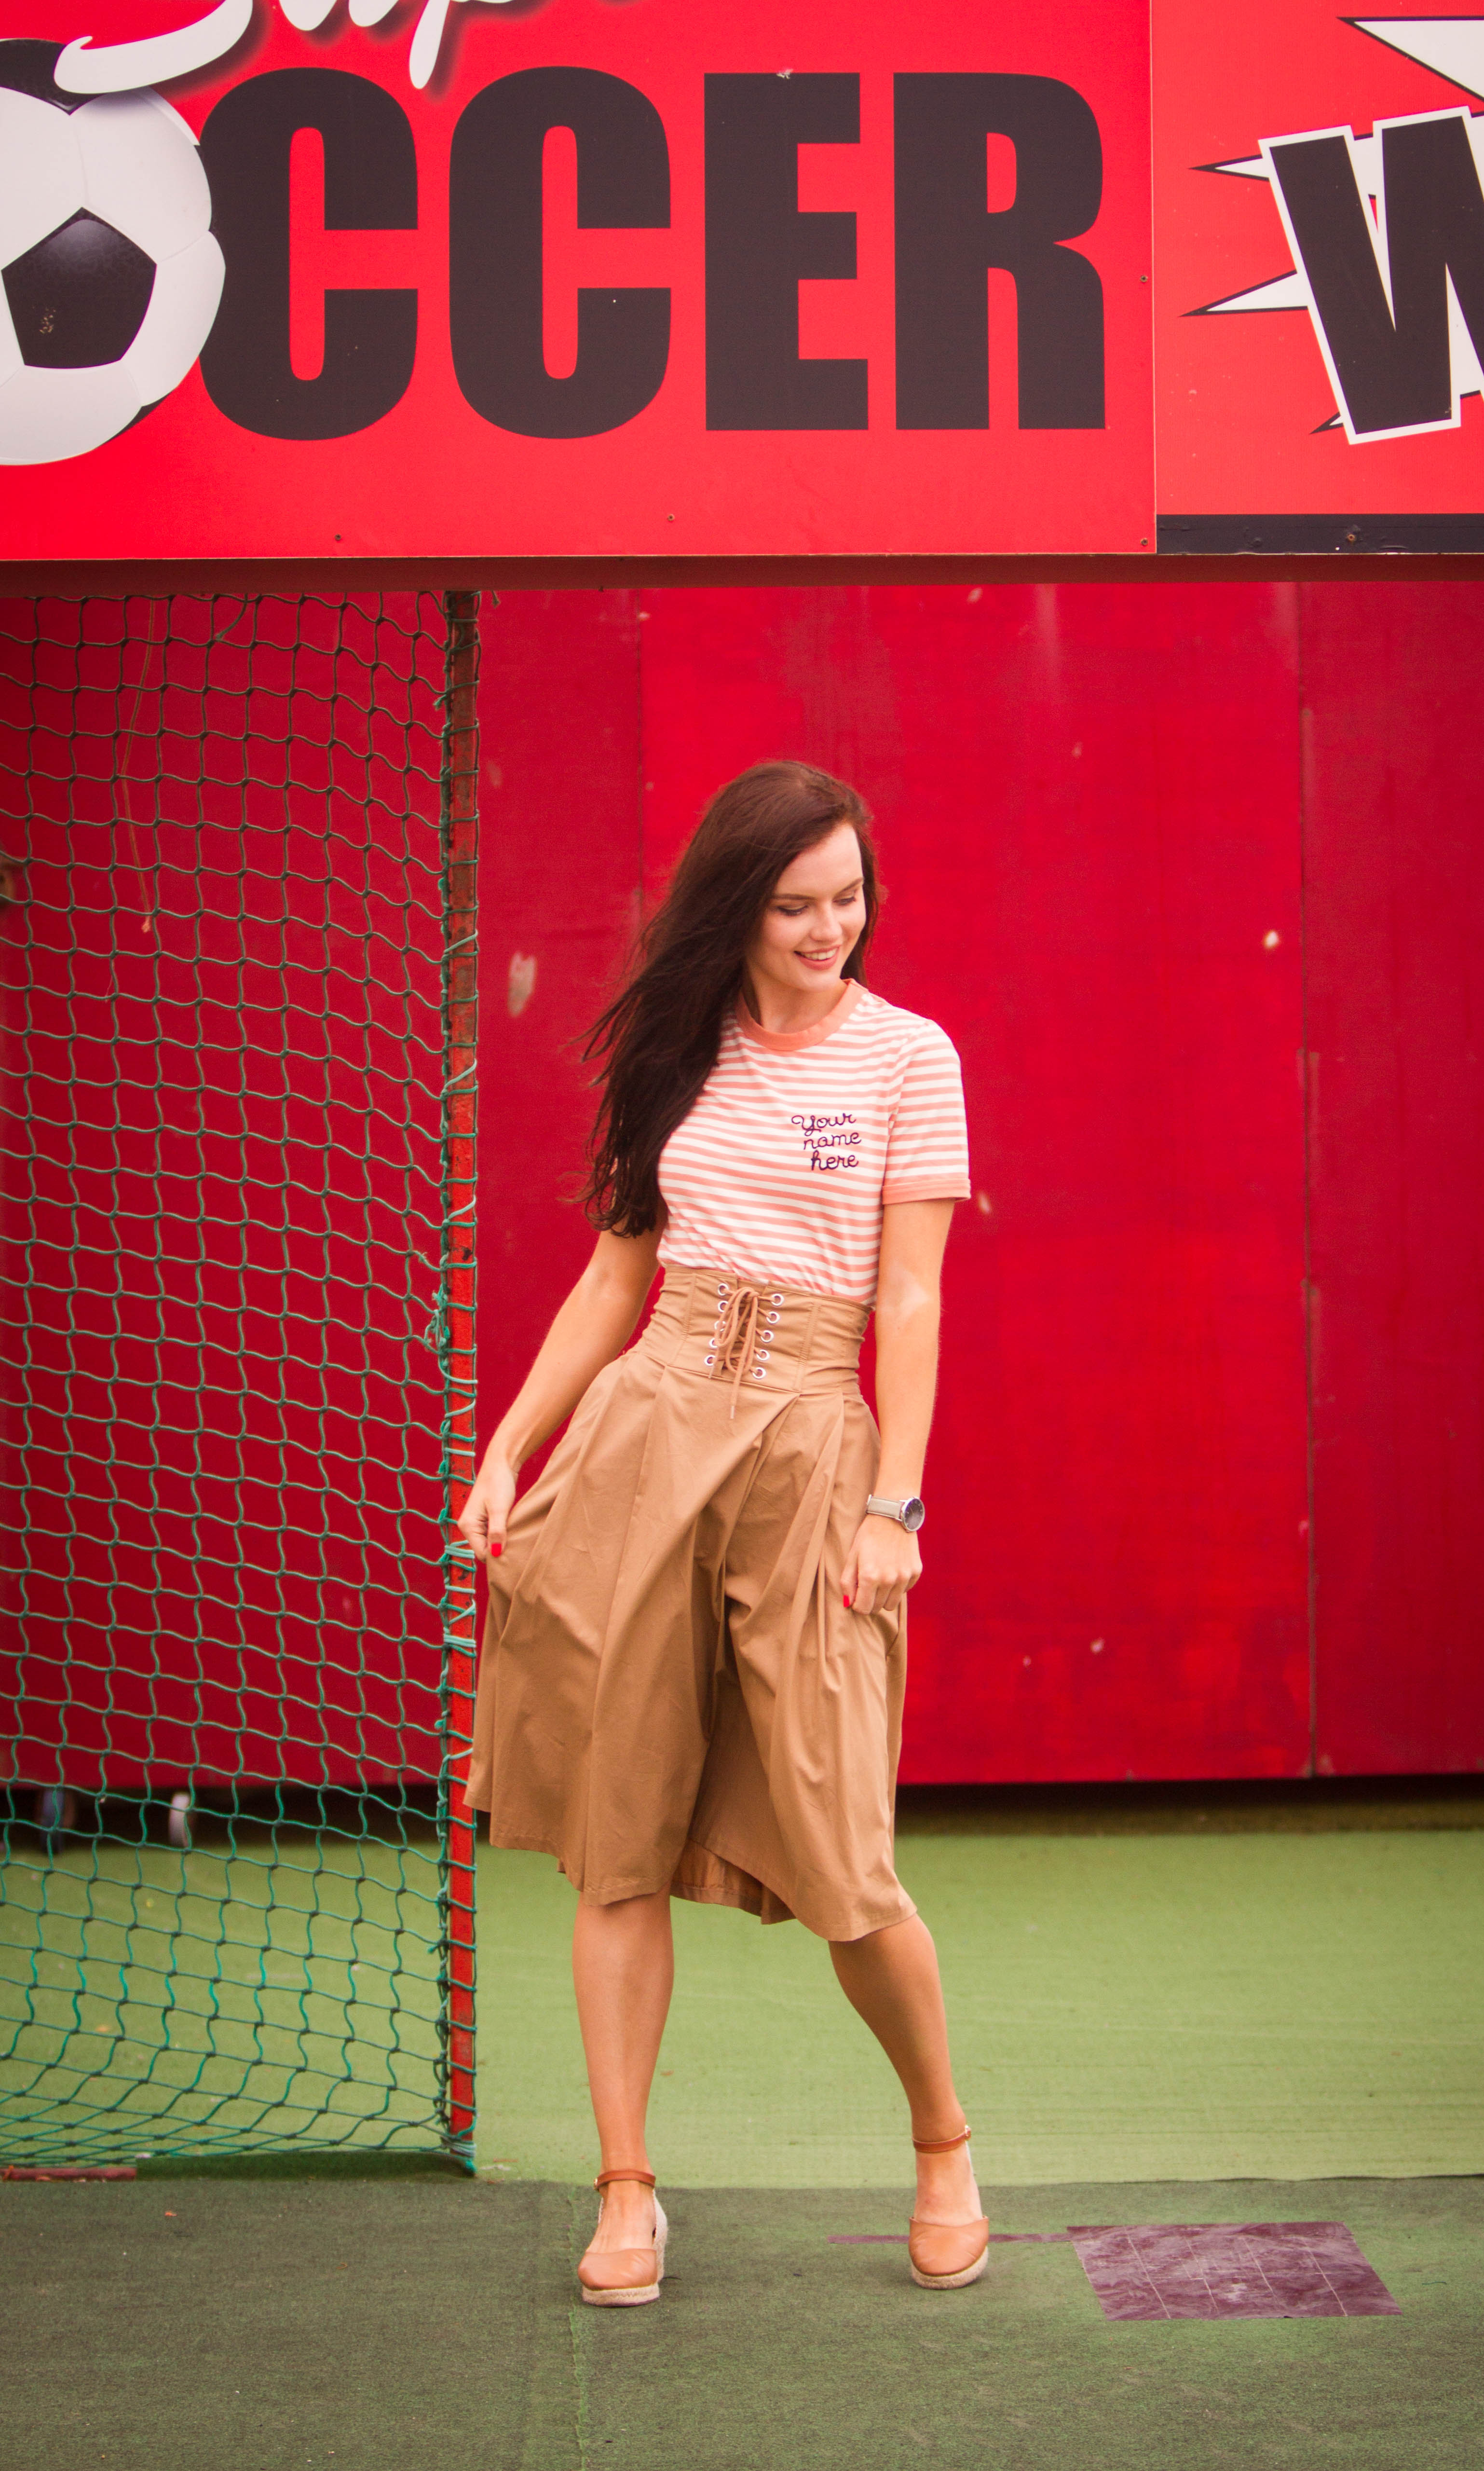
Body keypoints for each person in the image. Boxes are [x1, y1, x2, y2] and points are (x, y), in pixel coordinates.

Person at [459, 760, 985, 2306]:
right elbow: (613, 1279)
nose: (830, 927)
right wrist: (510, 1443)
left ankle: (943, 2139)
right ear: (736, 906)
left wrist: (895, 1500)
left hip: (815, 1439)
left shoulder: (912, 1057)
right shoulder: (676, 1050)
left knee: (847, 1855)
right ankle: (627, 2188)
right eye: (796, 903)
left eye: (849, 897)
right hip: (652, 1420)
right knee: (616, 1832)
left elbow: (911, 1297)